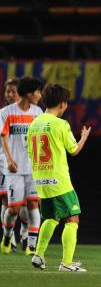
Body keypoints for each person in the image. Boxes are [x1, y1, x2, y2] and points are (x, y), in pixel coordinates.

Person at [27, 83, 90, 272]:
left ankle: (38, 255)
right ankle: (67, 263)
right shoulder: (61, 124)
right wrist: (84, 137)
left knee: (51, 218)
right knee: (73, 218)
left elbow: (30, 153)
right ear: (62, 104)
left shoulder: (34, 123)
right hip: (58, 179)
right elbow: (74, 150)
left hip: (40, 178)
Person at [0, 77, 43, 256]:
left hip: (33, 168)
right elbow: (3, 136)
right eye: (37, 92)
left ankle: (32, 244)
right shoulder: (7, 112)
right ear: (29, 94)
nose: (39, 96)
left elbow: (41, 138)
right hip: (14, 169)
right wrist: (9, 160)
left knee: (33, 204)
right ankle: (7, 236)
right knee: (14, 208)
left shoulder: (38, 112)